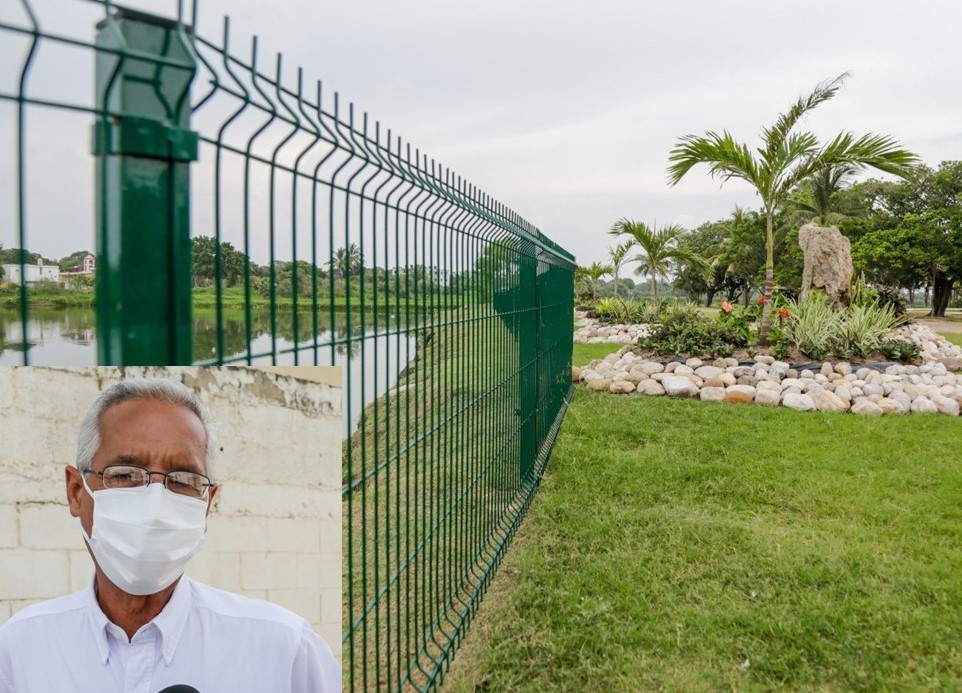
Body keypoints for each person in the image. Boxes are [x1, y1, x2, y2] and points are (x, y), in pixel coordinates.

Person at [0, 378, 341, 693]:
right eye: (126, 474)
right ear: (76, 492)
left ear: (207, 505)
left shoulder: (284, 652)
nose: (155, 503)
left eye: (182, 479)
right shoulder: (19, 650)